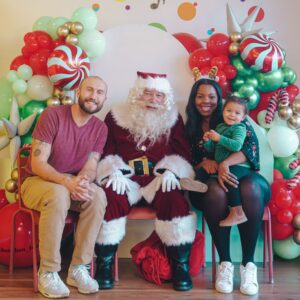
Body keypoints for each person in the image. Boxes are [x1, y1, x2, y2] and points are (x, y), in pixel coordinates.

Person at [95, 71, 206, 292]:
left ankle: (180, 266)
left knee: (174, 199)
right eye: (148, 93)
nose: (154, 100)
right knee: (111, 197)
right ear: (137, 94)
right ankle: (104, 264)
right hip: (127, 179)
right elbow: (106, 152)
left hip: (158, 179)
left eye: (159, 95)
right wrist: (112, 172)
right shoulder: (116, 116)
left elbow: (183, 154)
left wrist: (172, 171)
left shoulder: (173, 119)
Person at [21, 76, 108, 298]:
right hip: (37, 183)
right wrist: (67, 182)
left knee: (97, 195)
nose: (94, 96)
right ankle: (48, 272)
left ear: (104, 99)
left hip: (69, 184)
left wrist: (83, 181)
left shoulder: (100, 128)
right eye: (90, 90)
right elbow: (37, 164)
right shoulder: (54, 115)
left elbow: (91, 165)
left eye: (100, 93)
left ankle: (78, 269)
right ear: (78, 92)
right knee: (59, 194)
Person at [185, 78, 270, 296]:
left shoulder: (235, 117)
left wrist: (225, 163)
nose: (206, 101)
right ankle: (225, 264)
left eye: (212, 97)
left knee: (249, 189)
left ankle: (248, 265)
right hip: (208, 182)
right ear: (193, 99)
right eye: (200, 96)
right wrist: (203, 162)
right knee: (215, 191)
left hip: (246, 175)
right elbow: (187, 159)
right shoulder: (189, 127)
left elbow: (249, 150)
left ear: (219, 100)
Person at [199, 95, 252, 227]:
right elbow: (212, 149)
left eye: (237, 113)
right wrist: (208, 141)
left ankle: (238, 212)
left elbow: (236, 146)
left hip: (238, 165)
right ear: (223, 111)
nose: (232, 115)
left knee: (228, 178)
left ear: (243, 117)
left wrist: (219, 138)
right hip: (220, 164)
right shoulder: (220, 127)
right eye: (229, 111)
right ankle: (196, 185)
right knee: (201, 173)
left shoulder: (239, 128)